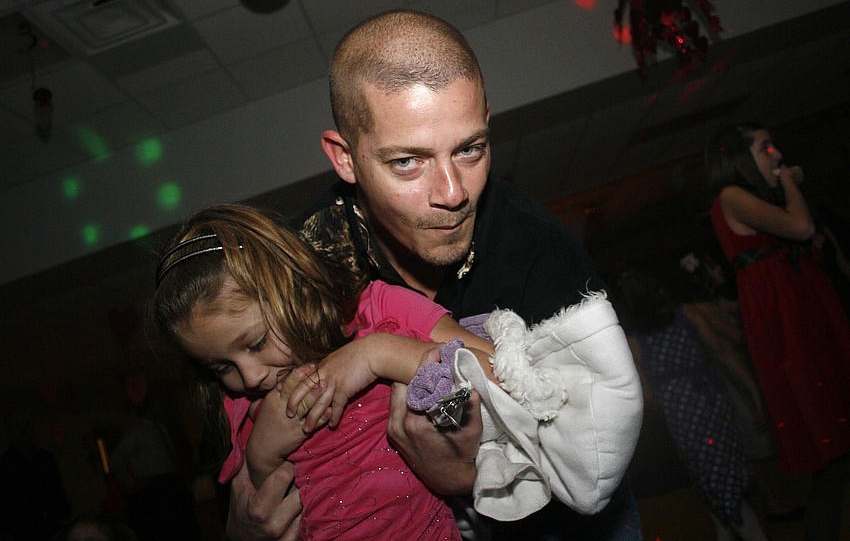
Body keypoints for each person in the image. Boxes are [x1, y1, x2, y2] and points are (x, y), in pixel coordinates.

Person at [226, 9, 643, 541]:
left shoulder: (536, 248)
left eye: (470, 149)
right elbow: (250, 472)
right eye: (407, 162)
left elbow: (590, 464)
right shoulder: (297, 270)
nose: (453, 193)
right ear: (345, 158)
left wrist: (460, 478)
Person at [152, 204, 640, 540]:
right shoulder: (243, 407)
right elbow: (265, 517)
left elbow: (500, 376)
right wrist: (262, 450)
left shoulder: (378, 311)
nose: (249, 377)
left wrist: (376, 354)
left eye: (255, 343)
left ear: (292, 287)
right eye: (222, 367)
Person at [705, 122, 850, 540]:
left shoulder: (747, 197)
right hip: (789, 325)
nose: (777, 155)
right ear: (739, 157)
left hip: (802, 313)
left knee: (838, 456)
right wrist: (787, 181)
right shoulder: (731, 196)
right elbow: (801, 228)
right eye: (765, 148)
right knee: (834, 457)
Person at [616, 267, 769, 541]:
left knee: (709, 473)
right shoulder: (688, 314)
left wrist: (670, 403)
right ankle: (735, 530)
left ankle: (745, 532)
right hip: (713, 403)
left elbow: (646, 395)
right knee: (722, 468)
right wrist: (754, 391)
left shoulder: (633, 343)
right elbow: (724, 353)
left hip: (683, 419)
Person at [109, 401, 201, 541]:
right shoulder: (137, 431)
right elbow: (116, 459)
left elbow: (171, 454)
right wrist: (130, 482)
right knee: (160, 528)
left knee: (182, 525)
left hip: (171, 483)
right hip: (153, 487)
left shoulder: (160, 427)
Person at [0, 410, 71, 541]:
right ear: (9, 430)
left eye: (26, 424)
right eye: (17, 425)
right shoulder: (5, 465)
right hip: (22, 532)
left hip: (52, 528)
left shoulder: (46, 458)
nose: (23, 429)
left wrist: (62, 518)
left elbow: (57, 492)